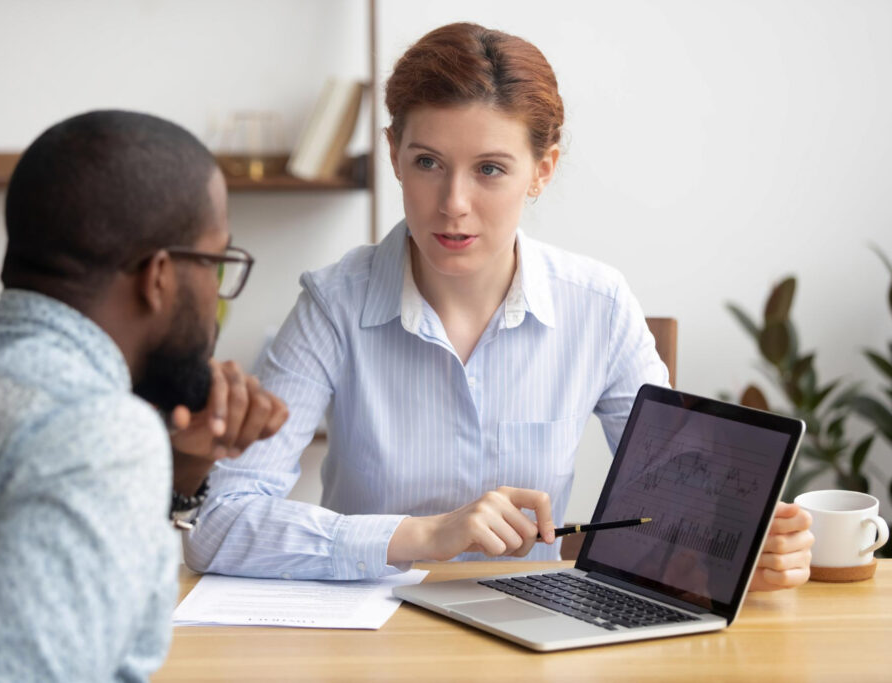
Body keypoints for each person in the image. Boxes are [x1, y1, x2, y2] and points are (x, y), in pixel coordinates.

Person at [179, 22, 812, 590]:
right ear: (394, 153)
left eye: (490, 169)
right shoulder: (333, 305)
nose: (453, 202)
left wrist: (741, 551)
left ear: (542, 171)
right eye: (428, 162)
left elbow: (682, 514)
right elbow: (221, 524)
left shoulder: (599, 306)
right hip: (374, 640)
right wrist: (423, 536)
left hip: (536, 633)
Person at [0, 110, 286, 681]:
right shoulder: (98, 431)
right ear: (158, 275)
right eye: (214, 263)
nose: (216, 292)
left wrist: (180, 470)